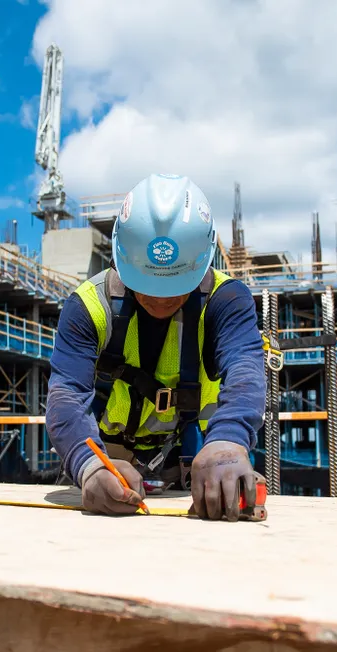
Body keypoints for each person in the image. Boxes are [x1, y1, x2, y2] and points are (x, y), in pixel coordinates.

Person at [45, 173, 267, 521]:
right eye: (147, 284)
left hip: (200, 461)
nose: (161, 298)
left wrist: (229, 440)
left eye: (176, 285)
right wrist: (89, 467)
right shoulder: (89, 307)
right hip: (110, 463)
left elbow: (245, 371)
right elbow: (66, 397)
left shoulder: (227, 301)